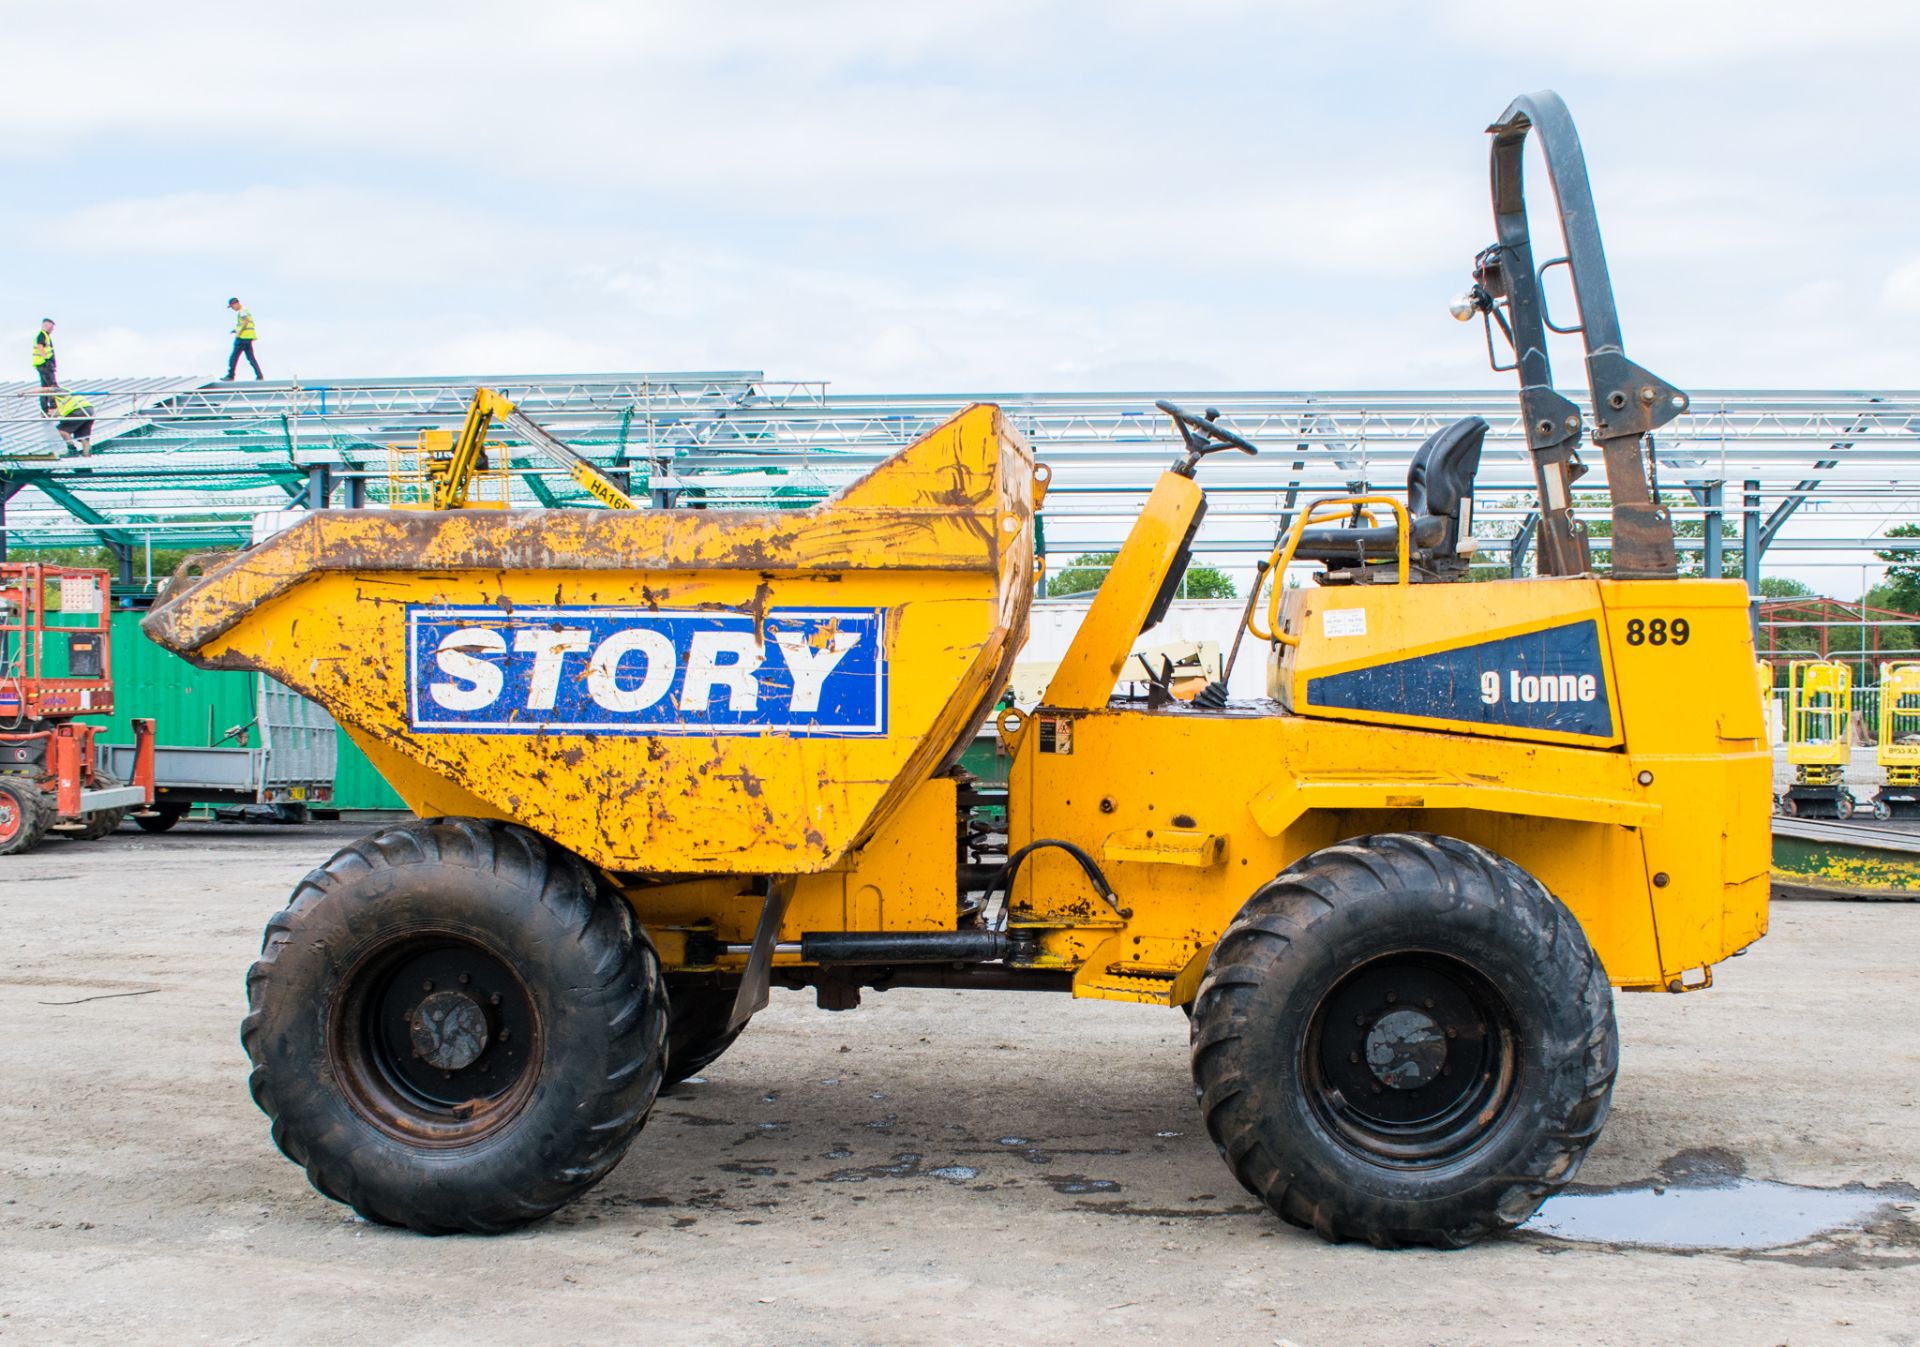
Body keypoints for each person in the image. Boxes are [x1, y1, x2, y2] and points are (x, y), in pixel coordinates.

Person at [225, 298, 262, 379]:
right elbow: (244, 323)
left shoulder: (242, 311)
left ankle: (230, 375)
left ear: (236, 303)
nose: (232, 309)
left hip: (242, 338)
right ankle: (259, 375)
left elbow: (245, 321)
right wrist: (236, 330)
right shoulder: (245, 310)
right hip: (248, 338)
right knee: (251, 358)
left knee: (233, 357)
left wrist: (239, 332)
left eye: (232, 306)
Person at [54, 391, 93, 456]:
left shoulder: (56, 392)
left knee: (62, 431)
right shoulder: (69, 393)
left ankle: (72, 451)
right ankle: (87, 455)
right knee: (84, 436)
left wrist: (31, 392)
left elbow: (54, 412)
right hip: (90, 410)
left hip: (78, 410)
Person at [32, 318, 57, 415]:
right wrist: (46, 359)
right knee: (51, 387)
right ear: (46, 325)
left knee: (44, 387)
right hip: (44, 364)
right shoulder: (42, 335)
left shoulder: (45, 335)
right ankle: (52, 407)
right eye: (51, 327)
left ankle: (45, 410)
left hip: (41, 364)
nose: (52, 329)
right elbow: (40, 346)